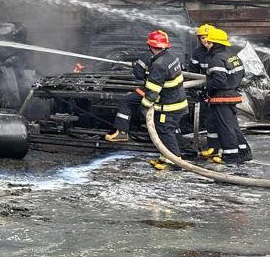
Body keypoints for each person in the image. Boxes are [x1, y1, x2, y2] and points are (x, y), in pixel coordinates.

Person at [104, 30, 190, 170]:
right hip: (175, 100)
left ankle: (174, 162)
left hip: (169, 105)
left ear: (150, 46)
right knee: (165, 130)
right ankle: (165, 157)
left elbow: (152, 93)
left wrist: (144, 107)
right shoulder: (171, 57)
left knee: (165, 131)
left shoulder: (159, 65)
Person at [197, 24, 252, 165]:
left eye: (208, 41)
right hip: (232, 94)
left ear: (214, 43)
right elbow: (241, 74)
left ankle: (231, 156)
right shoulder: (232, 56)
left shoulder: (216, 58)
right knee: (232, 126)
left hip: (221, 97)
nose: (206, 44)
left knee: (225, 127)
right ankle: (244, 152)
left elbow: (218, 81)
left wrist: (206, 90)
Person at [187, 32, 219, 160]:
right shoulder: (198, 52)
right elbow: (193, 71)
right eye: (202, 38)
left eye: (206, 37)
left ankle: (222, 147)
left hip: (217, 91)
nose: (204, 40)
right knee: (209, 119)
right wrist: (195, 88)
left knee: (219, 120)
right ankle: (213, 147)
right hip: (204, 89)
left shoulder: (218, 53)